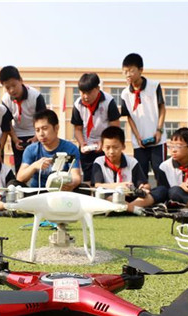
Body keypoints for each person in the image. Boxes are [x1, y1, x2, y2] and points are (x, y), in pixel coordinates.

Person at [91, 126, 167, 214]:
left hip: (130, 198)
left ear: (123, 146)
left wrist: (143, 188)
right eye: (107, 148)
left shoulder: (132, 162)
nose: (111, 151)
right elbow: (97, 185)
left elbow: (145, 185)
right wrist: (119, 186)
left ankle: (124, 208)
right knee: (98, 193)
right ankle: (132, 209)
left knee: (162, 190)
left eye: (115, 147)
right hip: (109, 196)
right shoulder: (99, 162)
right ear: (102, 147)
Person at [120, 53, 167, 185]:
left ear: (141, 70)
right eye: (125, 71)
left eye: (131, 71)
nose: (128, 75)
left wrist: (159, 130)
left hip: (158, 140)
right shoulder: (125, 93)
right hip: (139, 143)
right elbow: (129, 117)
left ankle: (164, 197)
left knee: (161, 174)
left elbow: (162, 108)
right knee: (141, 177)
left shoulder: (154, 86)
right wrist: (137, 137)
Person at [71, 72, 121, 182]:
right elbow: (77, 129)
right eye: (82, 92)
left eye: (89, 92)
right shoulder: (77, 104)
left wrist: (103, 142)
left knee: (107, 178)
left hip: (106, 146)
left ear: (98, 89)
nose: (85, 96)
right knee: (89, 179)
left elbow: (115, 128)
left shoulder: (108, 101)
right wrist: (82, 143)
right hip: (87, 146)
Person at [17, 109, 82, 190]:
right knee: (14, 184)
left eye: (44, 128)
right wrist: (34, 166)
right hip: (38, 191)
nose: (41, 134)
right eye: (37, 130)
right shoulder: (31, 150)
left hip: (61, 190)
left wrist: (72, 184)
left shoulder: (70, 149)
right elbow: (20, 178)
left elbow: (76, 175)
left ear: (56, 128)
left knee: (83, 188)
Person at [0, 66, 47, 173]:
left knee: (38, 166)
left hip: (35, 133)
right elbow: (7, 123)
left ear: (21, 80)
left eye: (14, 85)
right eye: (7, 87)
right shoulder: (5, 99)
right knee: (20, 167)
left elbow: (43, 120)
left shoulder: (35, 96)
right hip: (17, 135)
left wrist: (36, 138)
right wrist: (15, 139)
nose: (11, 90)